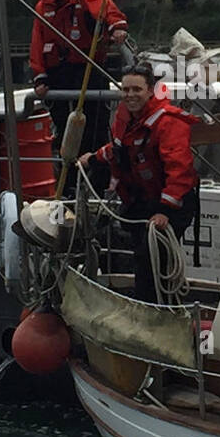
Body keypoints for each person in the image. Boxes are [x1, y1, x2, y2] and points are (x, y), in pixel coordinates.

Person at [77, 63, 199, 303]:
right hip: (141, 202)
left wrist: (165, 210)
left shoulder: (168, 122)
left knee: (155, 260)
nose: (131, 95)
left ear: (151, 91)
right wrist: (93, 158)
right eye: (126, 89)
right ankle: (147, 305)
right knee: (143, 261)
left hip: (171, 204)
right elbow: (120, 149)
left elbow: (180, 170)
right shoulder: (126, 119)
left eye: (137, 89)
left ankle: (163, 311)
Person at [29, 0, 129, 152]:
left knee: (95, 126)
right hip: (57, 72)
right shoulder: (43, 6)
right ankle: (67, 172)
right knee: (61, 125)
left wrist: (117, 28)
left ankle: (97, 172)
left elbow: (108, 12)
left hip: (89, 68)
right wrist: (39, 76)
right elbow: (37, 43)